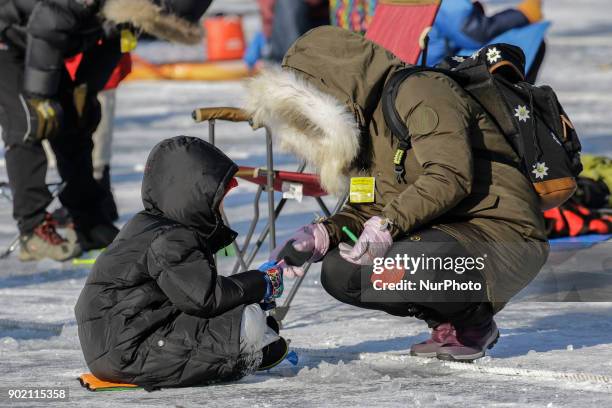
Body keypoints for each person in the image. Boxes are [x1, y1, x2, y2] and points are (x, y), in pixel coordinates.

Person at [245, 26, 549, 362]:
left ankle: (473, 323)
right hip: (444, 231)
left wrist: (387, 225)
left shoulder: (422, 91)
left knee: (408, 262)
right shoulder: (360, 128)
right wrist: (322, 233)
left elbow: (450, 175)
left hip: (500, 231)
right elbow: (366, 208)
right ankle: (445, 320)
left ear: (331, 87)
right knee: (340, 271)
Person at [0, 0, 213, 262]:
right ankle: (32, 229)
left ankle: (89, 221)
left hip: (35, 42)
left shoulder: (134, 9)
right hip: (7, 35)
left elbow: (110, 48)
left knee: (76, 121)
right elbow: (49, 23)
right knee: (31, 121)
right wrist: (40, 96)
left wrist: (85, 92)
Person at [75, 136, 287, 388]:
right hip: (132, 349)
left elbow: (189, 298)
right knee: (248, 320)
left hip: (122, 340)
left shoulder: (150, 225)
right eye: (217, 200)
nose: (221, 209)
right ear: (193, 195)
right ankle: (247, 351)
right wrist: (261, 283)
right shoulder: (171, 238)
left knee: (246, 317)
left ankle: (251, 344)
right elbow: (206, 298)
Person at [426, 0, 545, 80]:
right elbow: (474, 34)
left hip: (419, 68)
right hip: (436, 72)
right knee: (529, 37)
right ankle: (516, 103)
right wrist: (523, 15)